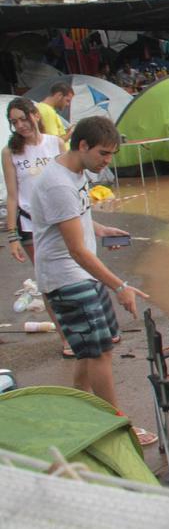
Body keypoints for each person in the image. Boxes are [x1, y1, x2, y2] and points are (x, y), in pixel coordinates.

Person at [28, 115, 154, 445]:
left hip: (83, 274)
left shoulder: (75, 171)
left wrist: (98, 228)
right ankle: (118, 426)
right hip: (67, 277)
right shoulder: (57, 183)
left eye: (111, 154)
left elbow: (72, 216)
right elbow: (77, 251)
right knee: (99, 353)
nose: (107, 162)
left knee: (94, 348)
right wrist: (121, 286)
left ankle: (76, 410)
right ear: (82, 145)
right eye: (103, 154)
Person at [4, 99, 70, 357]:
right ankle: (65, 337)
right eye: (14, 122)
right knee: (48, 281)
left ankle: (89, 329)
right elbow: (12, 195)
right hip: (31, 225)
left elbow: (72, 182)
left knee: (76, 273)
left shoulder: (56, 143)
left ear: (35, 115)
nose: (20, 125)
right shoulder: (10, 153)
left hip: (64, 220)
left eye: (23, 118)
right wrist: (12, 236)